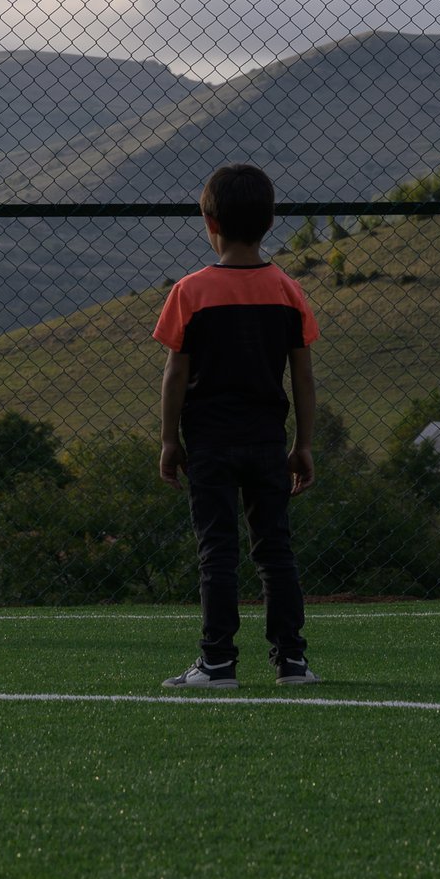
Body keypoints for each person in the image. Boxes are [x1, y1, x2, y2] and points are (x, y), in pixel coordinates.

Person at [153, 163, 321, 688]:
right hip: (268, 441)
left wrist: (168, 439)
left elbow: (175, 374)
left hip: (210, 443)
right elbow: (303, 375)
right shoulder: (288, 290)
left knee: (217, 551)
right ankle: (292, 661)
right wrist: (304, 444)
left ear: (210, 222)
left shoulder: (190, 291)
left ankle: (218, 663)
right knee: (275, 549)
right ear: (270, 223)